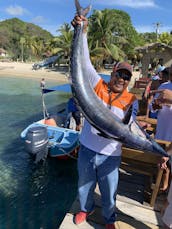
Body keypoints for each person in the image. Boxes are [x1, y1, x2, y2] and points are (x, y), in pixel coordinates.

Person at [71, 15, 138, 229]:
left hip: (111, 155)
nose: (122, 79)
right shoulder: (97, 84)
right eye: (119, 73)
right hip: (87, 149)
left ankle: (109, 219)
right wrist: (82, 30)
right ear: (113, 73)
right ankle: (85, 208)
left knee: (110, 192)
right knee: (84, 185)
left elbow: (131, 126)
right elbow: (83, 59)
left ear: (129, 81)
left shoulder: (131, 100)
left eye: (126, 77)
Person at [150, 66, 172, 192]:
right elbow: (152, 108)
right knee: (161, 162)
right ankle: (162, 187)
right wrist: (155, 105)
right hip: (162, 131)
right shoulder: (164, 86)